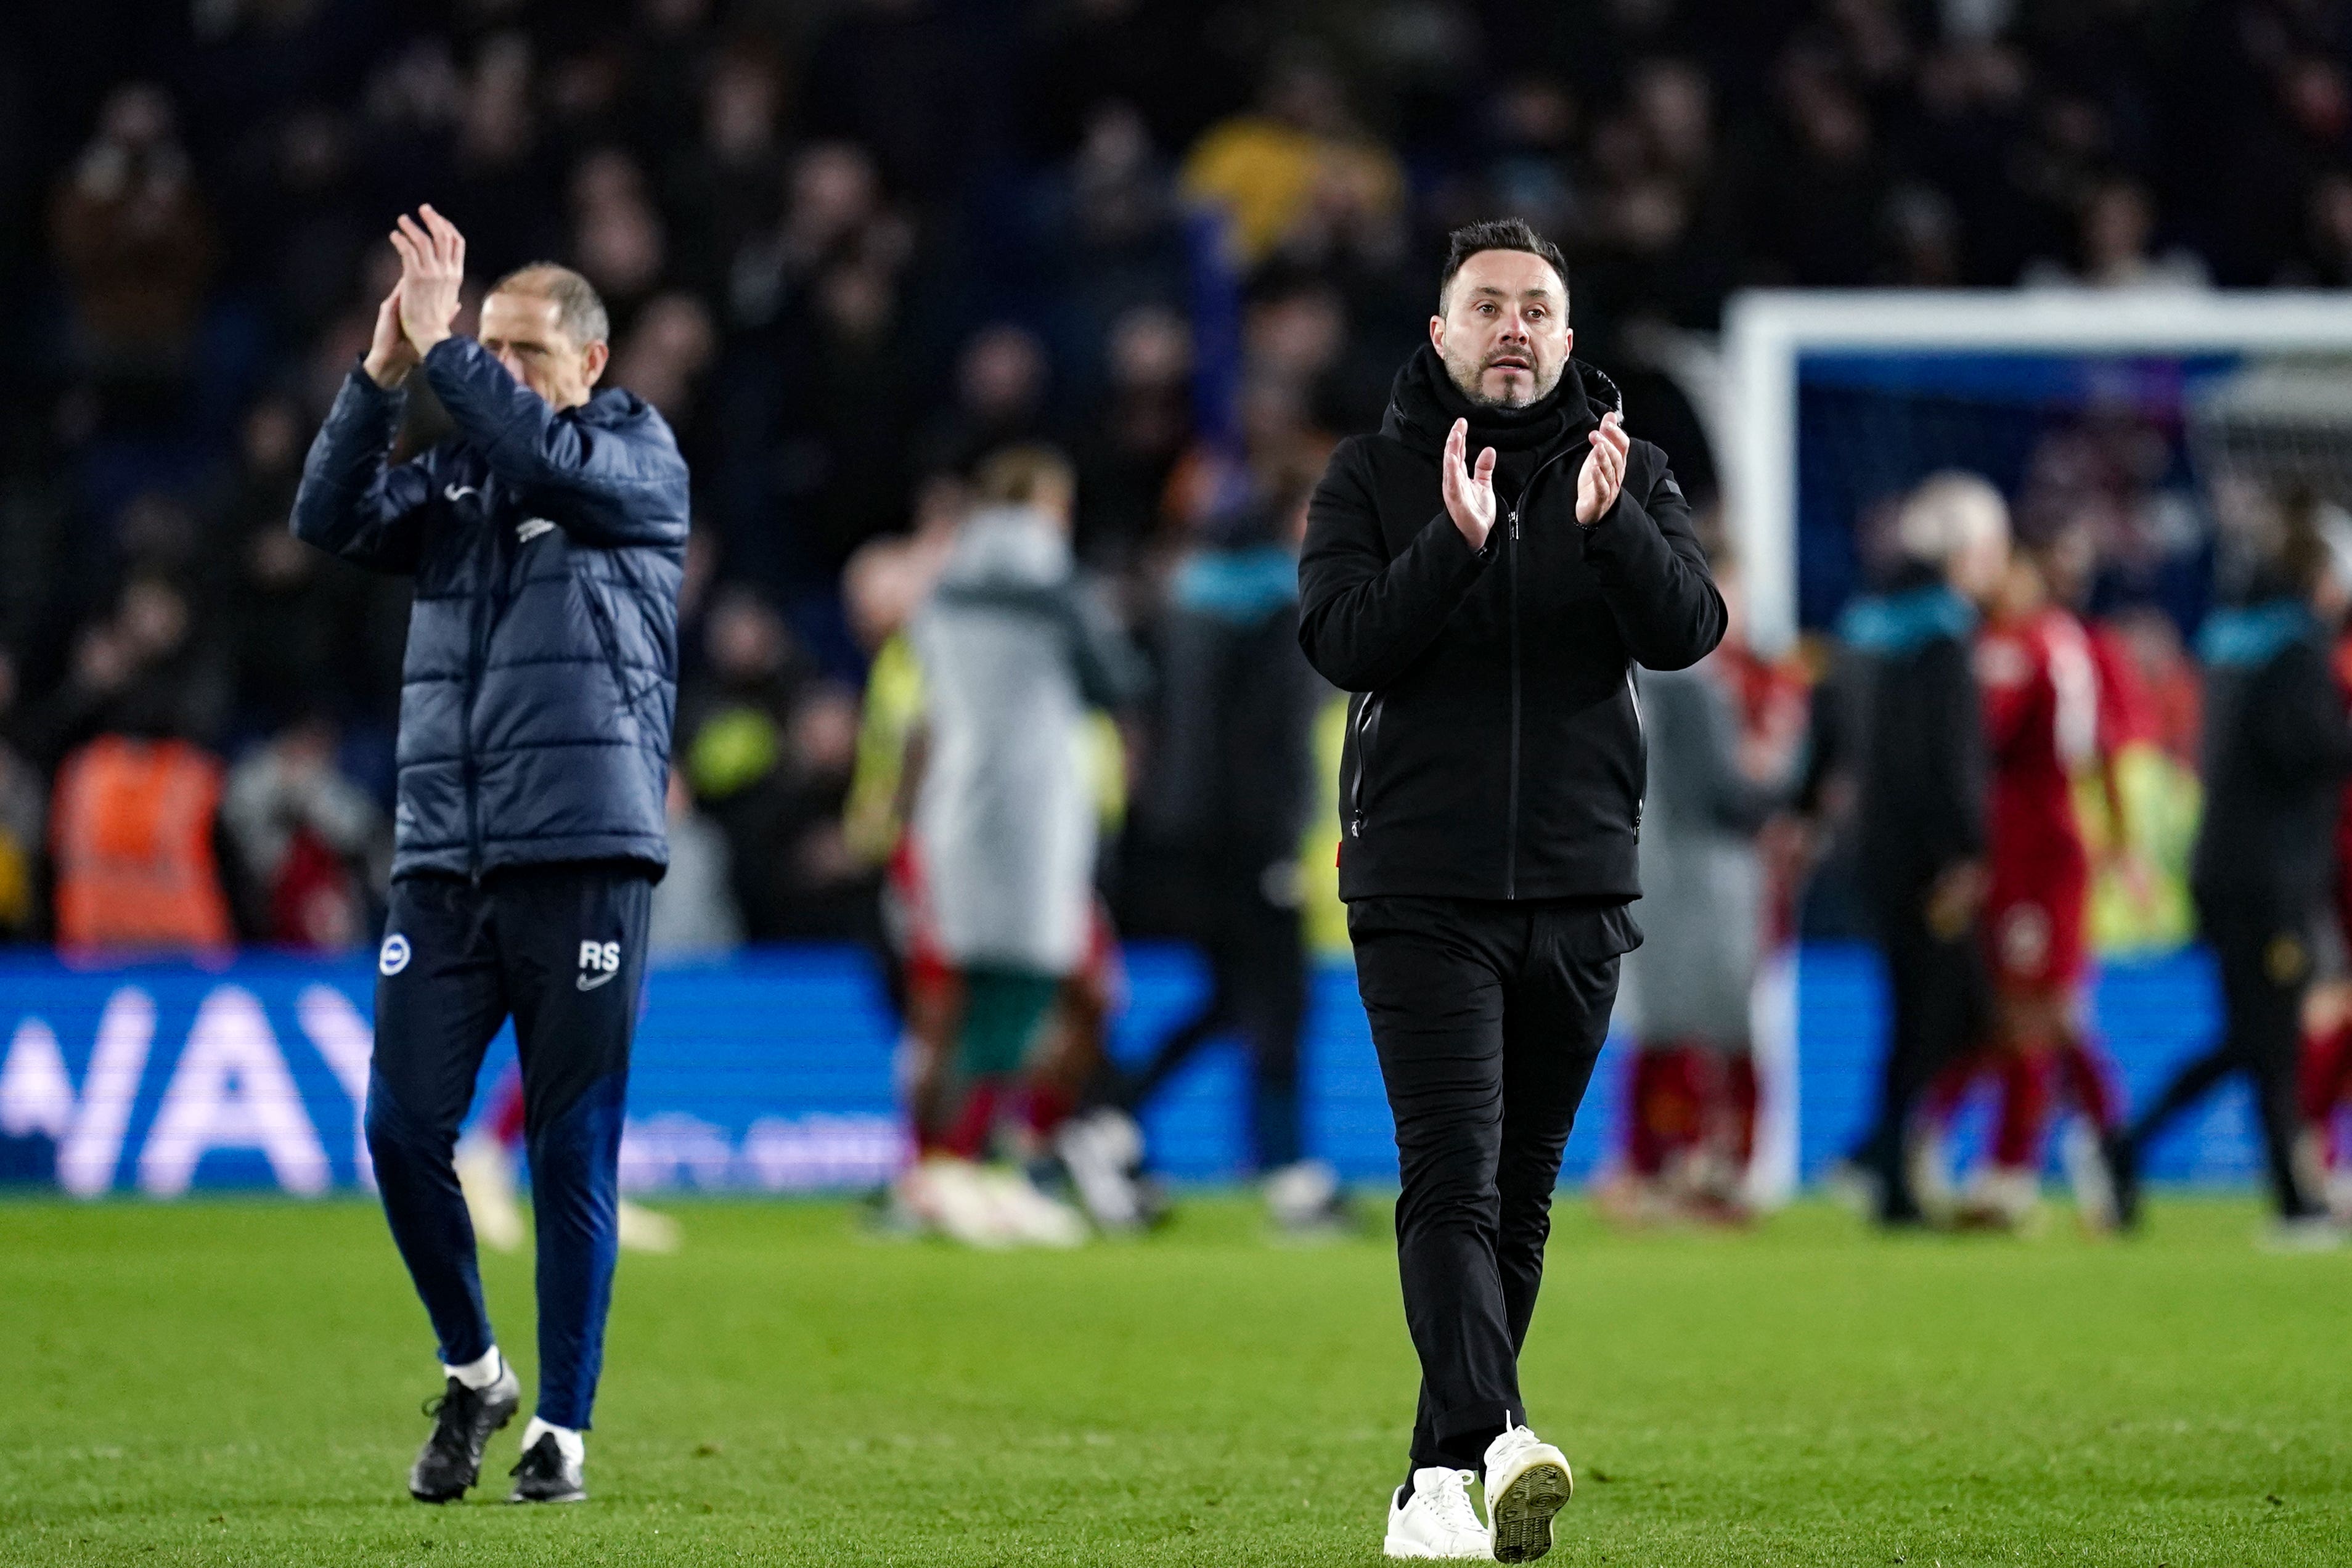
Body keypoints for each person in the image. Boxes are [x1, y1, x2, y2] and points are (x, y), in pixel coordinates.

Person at [1297, 218, 1723, 1562]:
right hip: (1421, 885)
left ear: (1568, 336)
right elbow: (1343, 640)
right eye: (1486, 306)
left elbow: (1689, 633)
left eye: (1537, 307)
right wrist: (1456, 547)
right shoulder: (1371, 476)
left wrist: (1611, 538)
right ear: (1442, 333)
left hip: (1583, 885)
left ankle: (1433, 1486)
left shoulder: (1631, 472)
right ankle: (1499, 1434)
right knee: (1453, 1179)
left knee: (1523, 1194)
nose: (1514, 328)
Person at [292, 206, 688, 1504]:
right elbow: (325, 516)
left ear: (592, 359)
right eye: (495, 349)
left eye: (527, 351)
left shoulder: (637, 457)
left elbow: (537, 447)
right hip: (445, 858)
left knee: (571, 1149)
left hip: (582, 848)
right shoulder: (459, 487)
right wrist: (381, 372)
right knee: (401, 1129)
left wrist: (449, 343)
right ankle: (475, 1375)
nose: (504, 372)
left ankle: (561, 1432)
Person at [1076, 463, 1343, 1235]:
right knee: (1280, 1002)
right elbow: (1271, 746)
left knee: (1234, 1000)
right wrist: (1282, 840)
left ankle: (1110, 1114)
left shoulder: (1186, 602)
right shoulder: (1281, 610)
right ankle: (1291, 1175)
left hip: (1174, 839)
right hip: (1249, 839)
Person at [899, 446, 1145, 1244]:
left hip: (956, 814)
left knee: (960, 1005)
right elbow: (1118, 679)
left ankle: (944, 1169)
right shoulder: (1057, 588)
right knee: (1058, 996)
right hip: (1037, 818)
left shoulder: (941, 590)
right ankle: (989, 1167)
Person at [2114, 499, 2352, 1241]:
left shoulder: (2229, 647)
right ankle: (2294, 1202)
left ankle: (2128, 1146)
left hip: (2226, 870)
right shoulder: (2294, 654)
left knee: (2254, 1039)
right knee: (2271, 1041)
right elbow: (2306, 752)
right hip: (2273, 876)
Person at [1811, 473, 2007, 1227]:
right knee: (1953, 1012)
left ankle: (1885, 1167)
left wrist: (1800, 810)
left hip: (1870, 852)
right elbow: (1950, 756)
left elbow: (1825, 735)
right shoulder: (1944, 631)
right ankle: (1881, 1162)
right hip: (1929, 859)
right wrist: (1967, 852)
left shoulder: (1862, 624)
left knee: (1917, 1011)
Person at [1610, 552, 1801, 1224]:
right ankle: (1700, 1169)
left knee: (1676, 1028)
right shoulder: (1692, 680)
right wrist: (1788, 782)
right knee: (1708, 1027)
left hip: (1663, 876)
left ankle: (1665, 1167)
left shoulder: (1667, 672)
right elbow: (1727, 793)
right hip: (1704, 883)